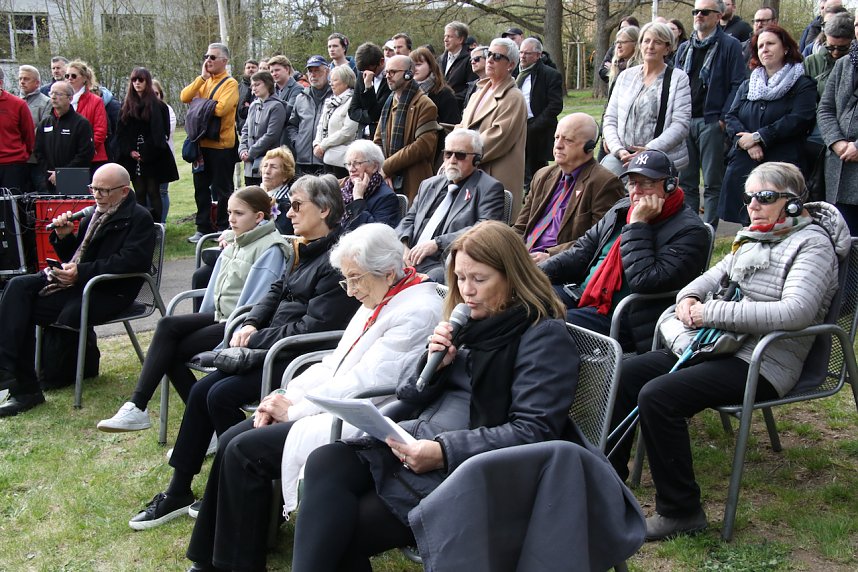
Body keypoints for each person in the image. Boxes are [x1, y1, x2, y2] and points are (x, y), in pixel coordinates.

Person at [289, 220, 582, 570]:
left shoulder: (541, 336)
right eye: (460, 277)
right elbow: (411, 394)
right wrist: (432, 364)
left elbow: (534, 431)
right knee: (327, 462)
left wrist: (443, 452)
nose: (467, 290)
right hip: (424, 442)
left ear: (512, 277)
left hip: (479, 468)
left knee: (341, 528)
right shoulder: (468, 322)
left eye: (479, 279)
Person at [607, 162, 851, 540]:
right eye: (750, 197)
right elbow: (712, 277)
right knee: (627, 372)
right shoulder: (755, 235)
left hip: (764, 360)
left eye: (765, 197)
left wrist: (711, 311)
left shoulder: (812, 244)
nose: (753, 206)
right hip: (717, 344)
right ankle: (608, 478)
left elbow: (795, 312)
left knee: (659, 395)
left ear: (793, 201)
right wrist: (689, 296)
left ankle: (681, 511)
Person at [184, 222, 443, 571]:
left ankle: (236, 562)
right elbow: (335, 363)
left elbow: (365, 382)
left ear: (388, 270)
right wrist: (282, 394)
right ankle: (210, 557)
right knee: (233, 437)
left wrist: (292, 410)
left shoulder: (418, 308)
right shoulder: (383, 292)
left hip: (363, 417)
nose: (350, 291)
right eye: (346, 279)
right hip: (331, 403)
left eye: (355, 279)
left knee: (246, 450)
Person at [128, 175, 359, 530]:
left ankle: (238, 483)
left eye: (297, 206)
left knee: (216, 394)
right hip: (272, 348)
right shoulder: (304, 246)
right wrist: (250, 323)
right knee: (206, 391)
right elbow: (275, 292)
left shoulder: (336, 260)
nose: (289, 212)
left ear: (324, 210)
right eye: (289, 205)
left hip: (295, 359)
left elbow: (315, 329)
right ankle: (179, 489)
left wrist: (259, 338)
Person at [97, 186, 292, 432]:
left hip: (239, 322)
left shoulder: (270, 248)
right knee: (167, 328)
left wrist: (234, 328)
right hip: (221, 315)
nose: (231, 219)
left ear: (259, 217)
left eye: (239, 214)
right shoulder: (238, 239)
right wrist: (229, 237)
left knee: (170, 348)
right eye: (229, 212)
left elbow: (259, 298)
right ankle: (145, 409)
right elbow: (217, 285)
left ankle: (145, 408)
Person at [0, 163, 154, 417]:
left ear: (124, 192)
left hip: (110, 291)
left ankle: (21, 385)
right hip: (82, 283)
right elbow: (75, 257)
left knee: (24, 308)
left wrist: (80, 273)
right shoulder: (93, 214)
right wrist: (64, 237)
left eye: (104, 191)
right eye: (93, 188)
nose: (96, 195)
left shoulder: (139, 218)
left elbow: (131, 261)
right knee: (18, 289)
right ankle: (15, 379)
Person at [540, 150, 710, 353]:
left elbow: (645, 281)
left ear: (670, 185)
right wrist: (531, 275)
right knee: (519, 301)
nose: (636, 191)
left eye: (646, 183)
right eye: (632, 183)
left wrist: (639, 224)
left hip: (624, 318)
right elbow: (579, 253)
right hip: (584, 295)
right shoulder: (621, 209)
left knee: (543, 326)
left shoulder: (690, 231)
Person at [719, 25, 816, 225]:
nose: (765, 49)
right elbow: (731, 117)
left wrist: (760, 136)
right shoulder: (748, 84)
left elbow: (800, 118)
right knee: (748, 222)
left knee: (781, 222)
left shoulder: (802, 83)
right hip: (746, 161)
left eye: (770, 43)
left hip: (782, 163)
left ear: (786, 48)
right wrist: (749, 143)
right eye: (760, 46)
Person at [396, 128, 505, 282]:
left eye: (460, 155)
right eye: (448, 154)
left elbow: (484, 230)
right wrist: (404, 245)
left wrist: (437, 243)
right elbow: (409, 218)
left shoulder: (489, 188)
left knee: (423, 283)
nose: (452, 160)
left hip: (446, 262)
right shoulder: (428, 184)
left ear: (477, 160)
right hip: (409, 257)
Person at [515, 113, 626, 262]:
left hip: (558, 264)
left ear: (589, 147)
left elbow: (599, 241)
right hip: (522, 257)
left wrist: (551, 256)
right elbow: (520, 227)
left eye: (568, 140)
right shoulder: (542, 175)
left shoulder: (604, 183)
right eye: (556, 138)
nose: (558, 145)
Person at [675, 0, 745, 226]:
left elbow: (738, 84)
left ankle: (709, 233)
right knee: (686, 182)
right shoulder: (685, 48)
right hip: (685, 121)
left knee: (713, 183)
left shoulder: (730, 45)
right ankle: (690, 231)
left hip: (711, 121)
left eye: (705, 12)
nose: (699, 16)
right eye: (696, 11)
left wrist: (723, 119)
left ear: (718, 16)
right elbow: (675, 84)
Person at [602, 22, 692, 177]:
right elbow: (610, 118)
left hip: (658, 160)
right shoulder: (625, 76)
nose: (650, 46)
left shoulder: (678, 78)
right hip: (622, 157)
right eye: (646, 40)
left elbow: (681, 124)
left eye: (657, 42)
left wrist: (649, 150)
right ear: (640, 44)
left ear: (667, 48)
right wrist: (618, 149)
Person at [459, 37, 527, 218]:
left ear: (510, 65)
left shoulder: (513, 97)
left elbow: (498, 137)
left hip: (494, 176)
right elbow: (462, 127)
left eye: (497, 57)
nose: (489, 59)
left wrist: (460, 154)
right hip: (471, 175)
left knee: (489, 239)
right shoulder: (478, 93)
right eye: (489, 54)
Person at [181, 43, 239, 242]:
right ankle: (203, 226)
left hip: (222, 145)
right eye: (206, 56)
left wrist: (198, 105)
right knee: (200, 188)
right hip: (201, 144)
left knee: (223, 189)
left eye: (213, 57)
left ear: (224, 61)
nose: (208, 60)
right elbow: (185, 97)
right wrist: (202, 78)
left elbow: (222, 109)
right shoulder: (204, 82)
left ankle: (223, 226)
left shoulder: (230, 84)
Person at [116, 67, 179, 225]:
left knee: (154, 191)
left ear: (147, 82)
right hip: (133, 156)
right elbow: (121, 133)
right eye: (134, 80)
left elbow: (161, 133)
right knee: (139, 192)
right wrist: (130, 151)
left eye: (141, 80)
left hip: (153, 156)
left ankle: (157, 225)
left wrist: (146, 153)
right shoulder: (126, 106)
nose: (137, 83)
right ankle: (141, 226)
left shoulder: (158, 106)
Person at [374, 55, 439, 203]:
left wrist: (387, 167)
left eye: (393, 72)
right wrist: (384, 170)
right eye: (387, 72)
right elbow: (377, 140)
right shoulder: (388, 102)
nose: (388, 76)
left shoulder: (425, 105)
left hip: (414, 179)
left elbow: (423, 146)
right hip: (388, 178)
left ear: (409, 73)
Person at [818, 19, 858, 235]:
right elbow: (825, 108)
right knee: (845, 244)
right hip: (839, 167)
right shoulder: (844, 64)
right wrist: (836, 141)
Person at [518, 37, 564, 191]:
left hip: (537, 129)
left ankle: (537, 194)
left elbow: (555, 106)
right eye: (521, 52)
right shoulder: (513, 72)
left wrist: (535, 125)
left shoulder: (550, 75)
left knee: (536, 170)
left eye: (527, 53)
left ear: (538, 55)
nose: (522, 56)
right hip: (515, 126)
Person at [35, 80, 95, 191]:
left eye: (58, 94)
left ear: (70, 98)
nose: (53, 97)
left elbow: (86, 154)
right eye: (51, 93)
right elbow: (39, 151)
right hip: (49, 179)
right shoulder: (44, 124)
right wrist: (50, 172)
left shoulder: (81, 123)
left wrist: (62, 173)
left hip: (74, 179)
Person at [286, 55, 332, 177]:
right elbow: (292, 125)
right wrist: (297, 142)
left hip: (326, 160)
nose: (313, 74)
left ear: (327, 71)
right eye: (310, 71)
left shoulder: (335, 96)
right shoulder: (301, 97)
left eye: (317, 70)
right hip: (303, 161)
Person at [238, 70, 287, 186]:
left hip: (268, 162)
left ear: (268, 84)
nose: (253, 88)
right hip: (249, 164)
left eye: (257, 84)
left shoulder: (277, 106)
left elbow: (272, 135)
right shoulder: (253, 105)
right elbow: (245, 130)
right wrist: (242, 149)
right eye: (252, 85)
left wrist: (251, 152)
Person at [340, 139, 401, 229]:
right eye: (349, 164)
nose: (351, 169)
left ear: (375, 166)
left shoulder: (386, 198)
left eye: (357, 163)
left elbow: (374, 234)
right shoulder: (345, 190)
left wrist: (358, 198)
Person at [313, 64, 359, 178]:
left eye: (335, 80)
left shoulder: (353, 101)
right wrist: (317, 144)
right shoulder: (330, 102)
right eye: (330, 80)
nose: (331, 83)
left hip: (343, 159)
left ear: (346, 81)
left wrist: (324, 145)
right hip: (326, 157)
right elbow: (321, 125)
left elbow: (348, 131)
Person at [63, 60, 108, 171]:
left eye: (73, 76)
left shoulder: (96, 101)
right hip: (67, 158)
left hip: (92, 158)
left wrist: (83, 151)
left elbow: (100, 131)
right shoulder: (62, 100)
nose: (69, 78)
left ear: (84, 78)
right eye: (67, 75)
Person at [0, 67, 35, 192]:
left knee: (12, 208)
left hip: (13, 166)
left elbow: (29, 136)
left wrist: (22, 155)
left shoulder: (18, 104)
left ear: (1, 83)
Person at [18, 65, 51, 193]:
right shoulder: (13, 102)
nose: (22, 82)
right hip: (19, 159)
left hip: (37, 159)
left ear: (37, 83)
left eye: (26, 79)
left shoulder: (46, 102)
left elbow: (42, 129)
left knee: (42, 193)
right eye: (20, 78)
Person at [804, 11, 853, 98]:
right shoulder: (810, 63)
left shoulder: (854, 64)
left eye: (842, 48)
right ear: (825, 38)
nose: (835, 53)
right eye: (830, 47)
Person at [348, 42, 390, 139]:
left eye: (370, 70)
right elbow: (352, 111)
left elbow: (377, 113)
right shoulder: (362, 74)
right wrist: (370, 118)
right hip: (362, 136)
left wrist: (368, 88)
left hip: (381, 138)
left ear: (381, 62)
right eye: (363, 71)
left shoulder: (390, 78)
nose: (366, 74)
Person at [410, 46, 461, 125]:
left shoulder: (445, 94)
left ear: (430, 66)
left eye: (418, 64)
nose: (414, 69)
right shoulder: (406, 92)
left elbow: (451, 126)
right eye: (412, 66)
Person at [438, 21, 477, 110]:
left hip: (457, 110)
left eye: (449, 36)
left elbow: (471, 88)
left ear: (460, 39)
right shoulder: (439, 60)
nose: (445, 39)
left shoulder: (470, 61)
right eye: (445, 36)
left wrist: (451, 100)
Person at [152, 78, 176, 223]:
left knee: (161, 192)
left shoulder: (167, 110)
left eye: (156, 93)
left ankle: (161, 223)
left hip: (162, 158)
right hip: (143, 160)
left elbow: (165, 133)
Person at [260, 146, 297, 234]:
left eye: (273, 167)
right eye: (265, 166)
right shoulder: (253, 195)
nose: (267, 171)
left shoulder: (288, 204)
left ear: (285, 175)